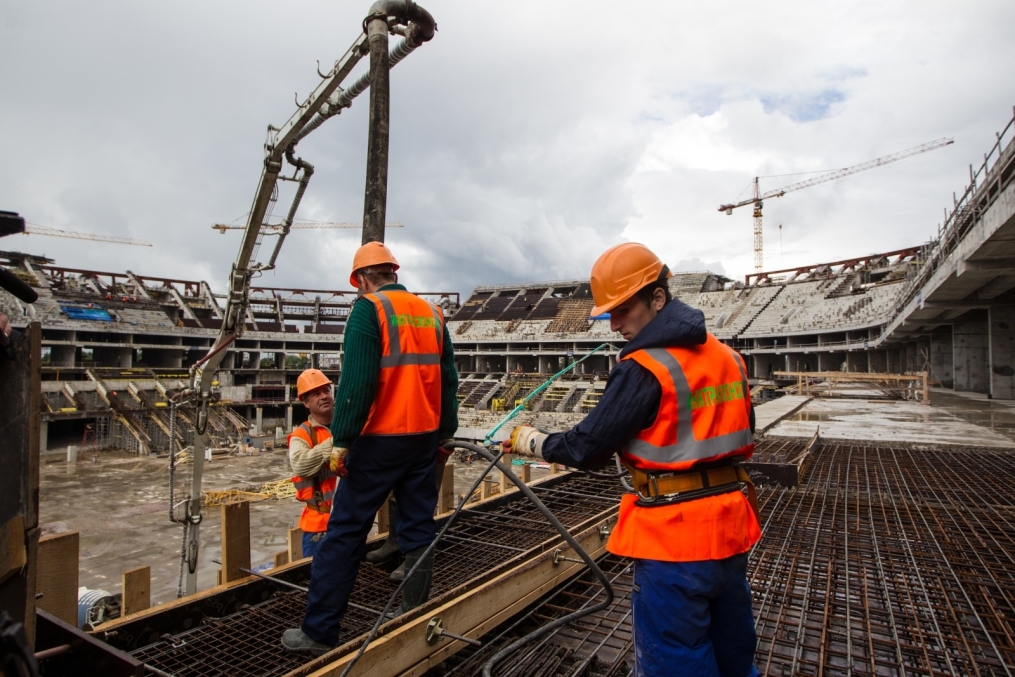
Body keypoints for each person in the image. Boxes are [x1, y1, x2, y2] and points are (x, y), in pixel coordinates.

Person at [505, 243, 761, 677]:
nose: (615, 323)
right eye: (610, 312)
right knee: (734, 654)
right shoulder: (728, 357)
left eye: (623, 309)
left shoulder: (645, 366)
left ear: (657, 299)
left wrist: (534, 442)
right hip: (731, 527)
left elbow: (590, 447)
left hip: (675, 540)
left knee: (675, 659)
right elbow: (741, 429)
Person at [283, 241, 458, 654]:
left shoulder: (369, 310)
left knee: (344, 534)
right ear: (394, 272)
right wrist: (445, 433)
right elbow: (449, 379)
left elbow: (358, 382)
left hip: (380, 440)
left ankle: (319, 632)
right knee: (418, 528)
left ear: (362, 279)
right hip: (423, 440)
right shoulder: (433, 312)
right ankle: (414, 614)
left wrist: (341, 440)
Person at [287, 368, 337, 559]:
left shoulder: (348, 422)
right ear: (306, 402)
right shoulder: (302, 435)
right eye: (316, 394)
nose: (324, 396)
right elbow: (301, 466)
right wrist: (337, 442)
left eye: (326, 391)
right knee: (317, 578)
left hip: (351, 517)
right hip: (320, 524)